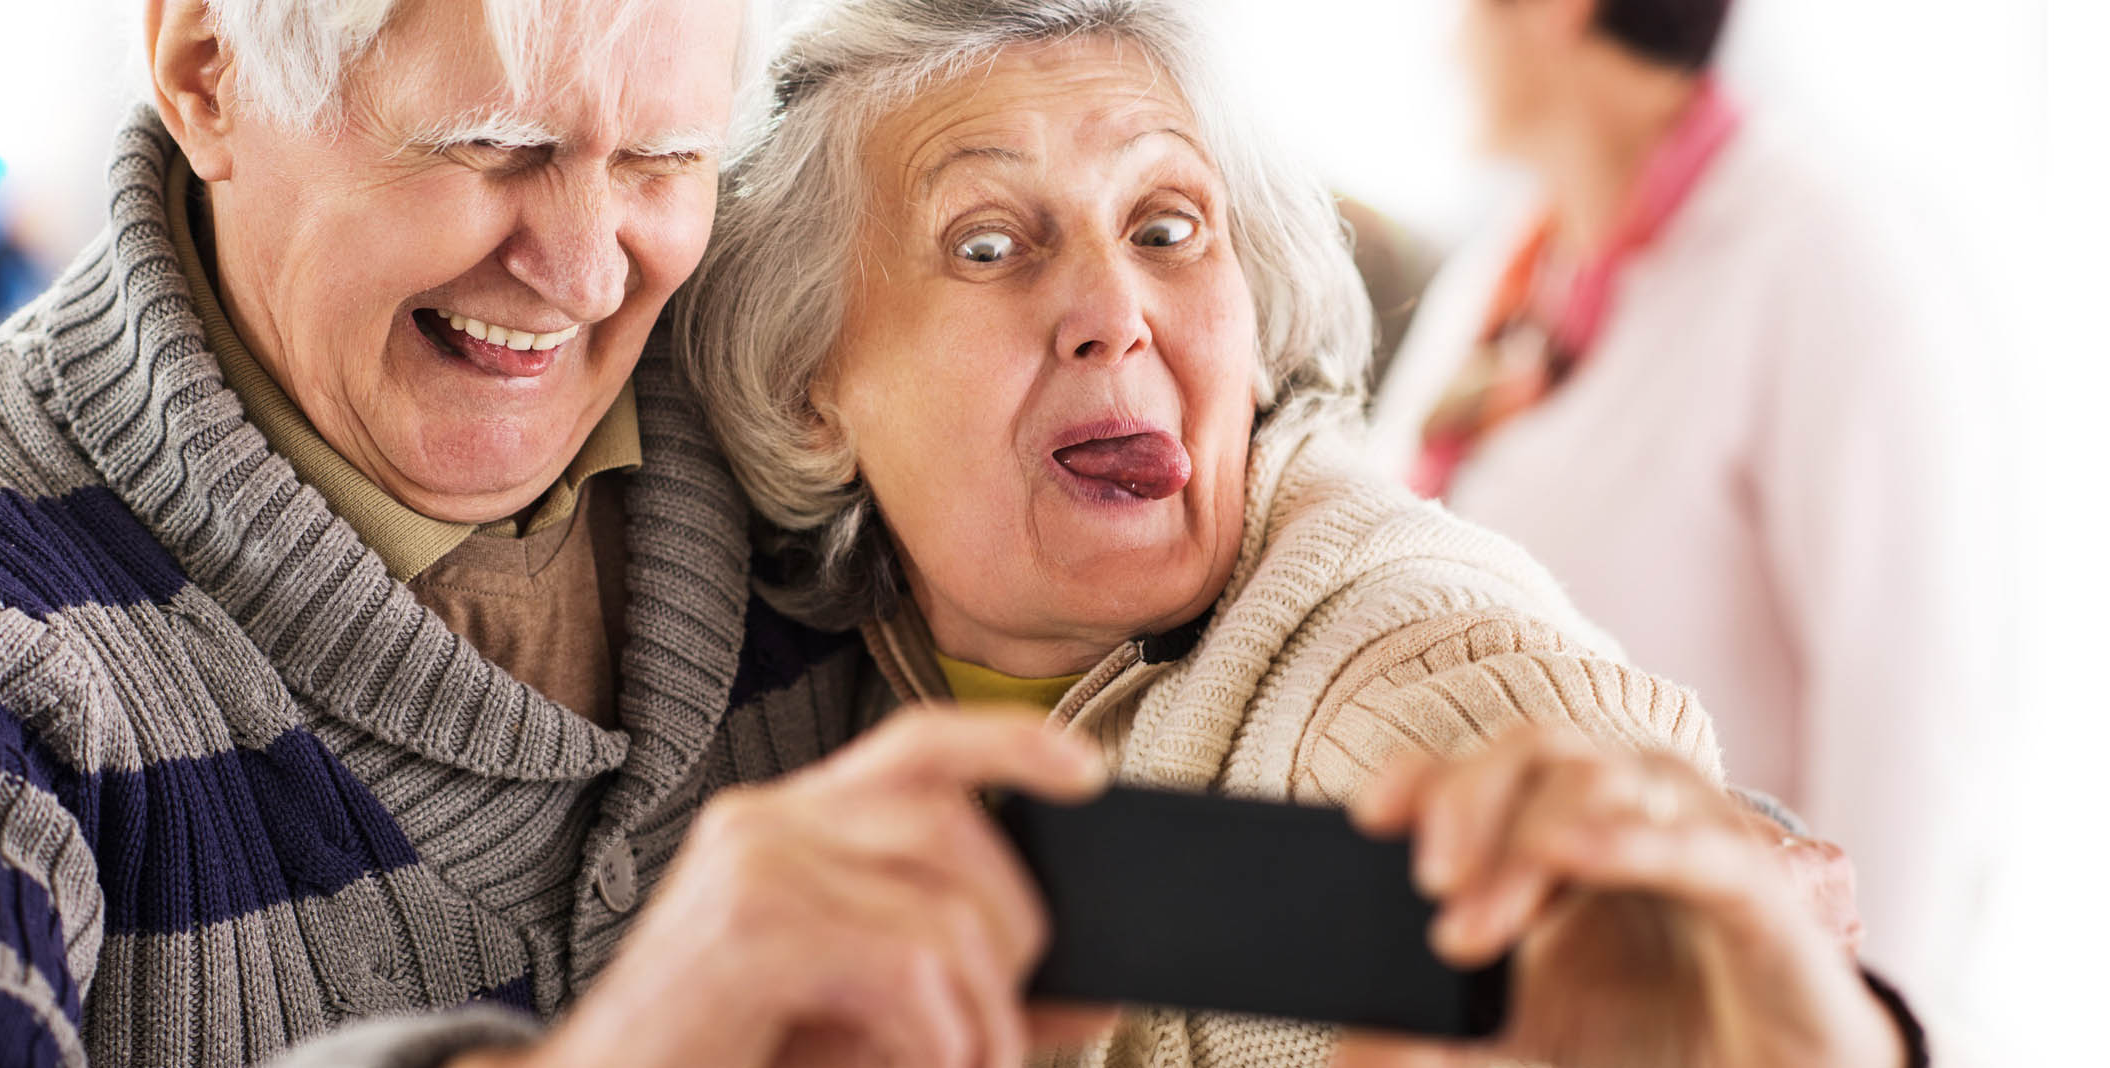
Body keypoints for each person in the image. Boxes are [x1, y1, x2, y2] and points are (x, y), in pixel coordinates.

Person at [681, 1, 1920, 1064]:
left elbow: (1648, 955)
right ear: (808, 385)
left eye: (1166, 228)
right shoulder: (788, 675)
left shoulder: (1401, 675)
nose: (1114, 312)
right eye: (990, 244)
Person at [0, 1, 1115, 1065]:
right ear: (208, 72)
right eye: (493, 145)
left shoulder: (794, 376)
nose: (585, 275)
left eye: (661, 159)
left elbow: (1225, 390)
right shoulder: (19, 622)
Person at [1363, 0, 1988, 996]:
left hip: (1704, 1005)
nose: (1440, 37)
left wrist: (1852, 1032)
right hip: (1491, 985)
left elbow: (1906, 737)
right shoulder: (1513, 267)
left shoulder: (1819, 261)